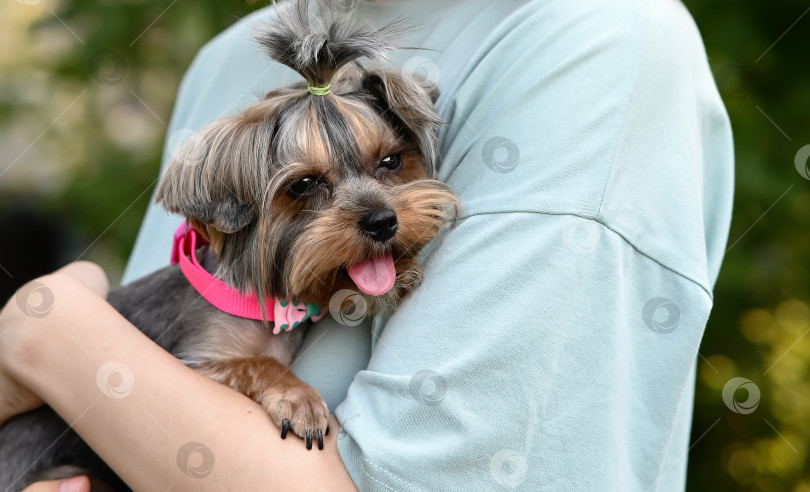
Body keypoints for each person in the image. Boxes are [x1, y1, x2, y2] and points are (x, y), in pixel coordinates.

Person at [0, 0, 733, 490]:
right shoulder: (222, 65)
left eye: (392, 165)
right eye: (304, 189)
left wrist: (49, 330)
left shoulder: (591, 39)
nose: (375, 207)